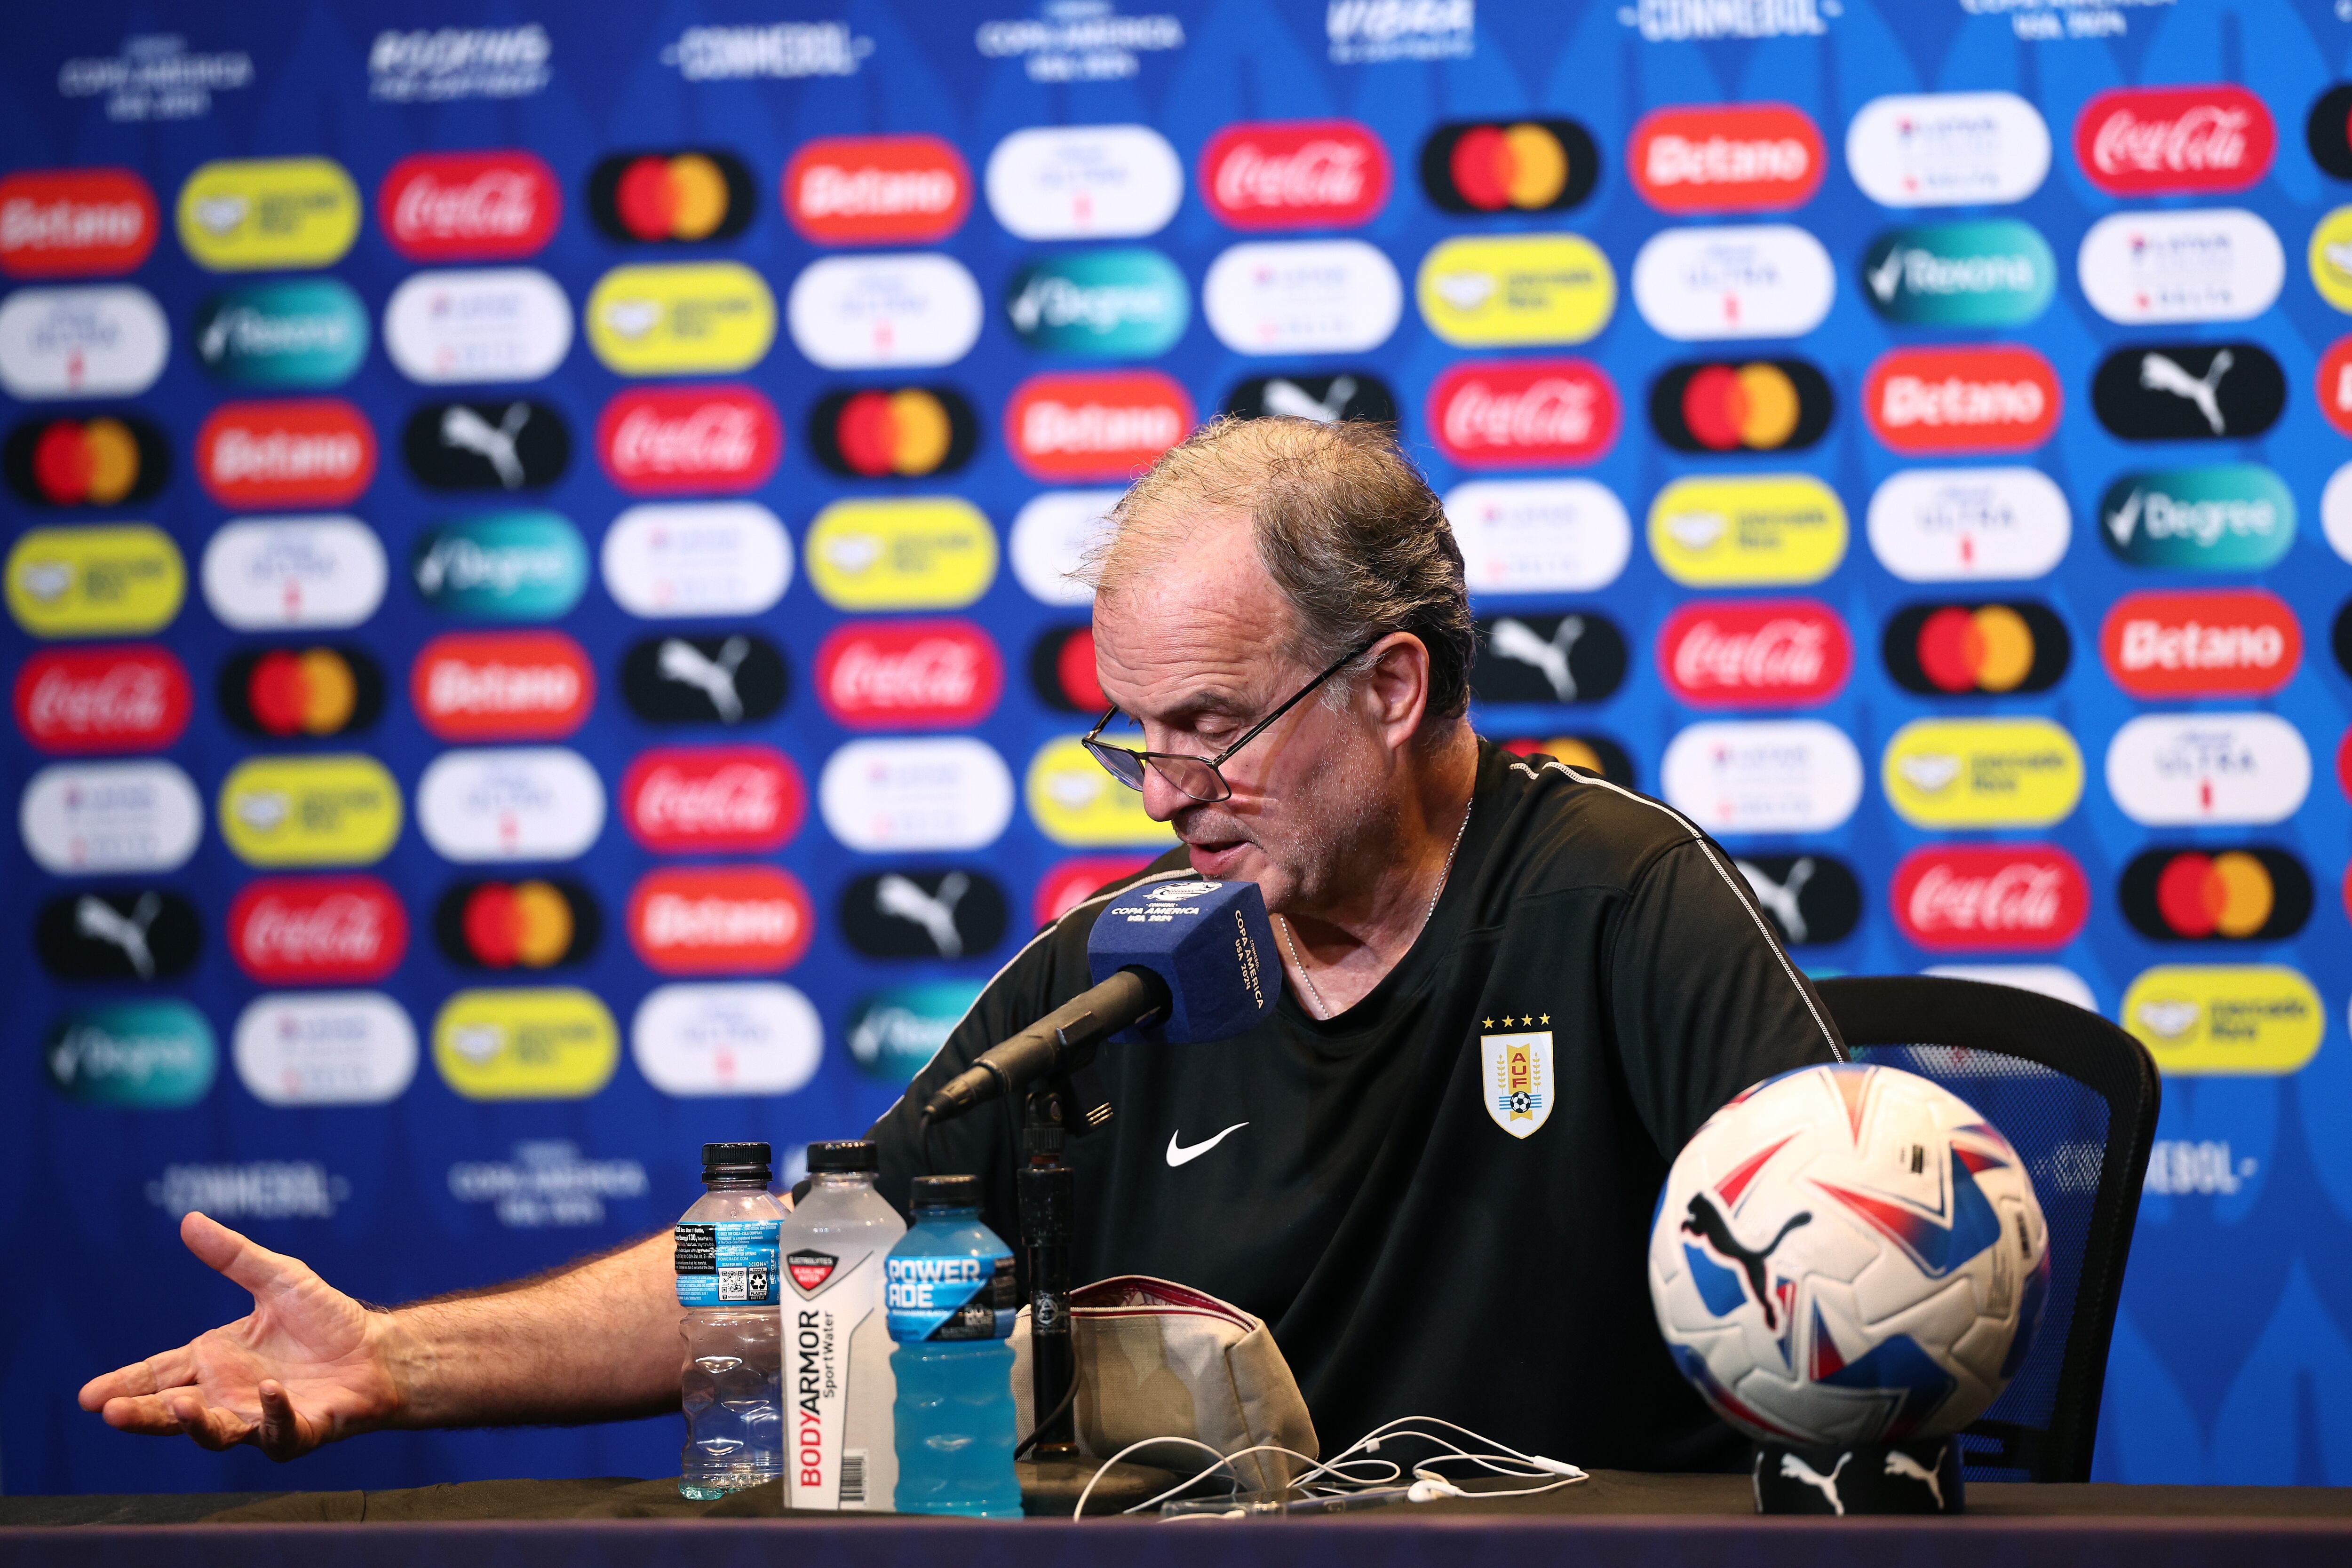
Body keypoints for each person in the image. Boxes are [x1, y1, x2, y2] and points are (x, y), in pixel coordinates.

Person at [80, 417, 1841, 1469]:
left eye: (1212, 728)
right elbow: (800, 1265)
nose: (1167, 794)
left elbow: (1855, 1269)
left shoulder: (1614, 898)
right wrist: (397, 1362)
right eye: (1133, 734)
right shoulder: (1132, 972)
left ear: (1390, 689)